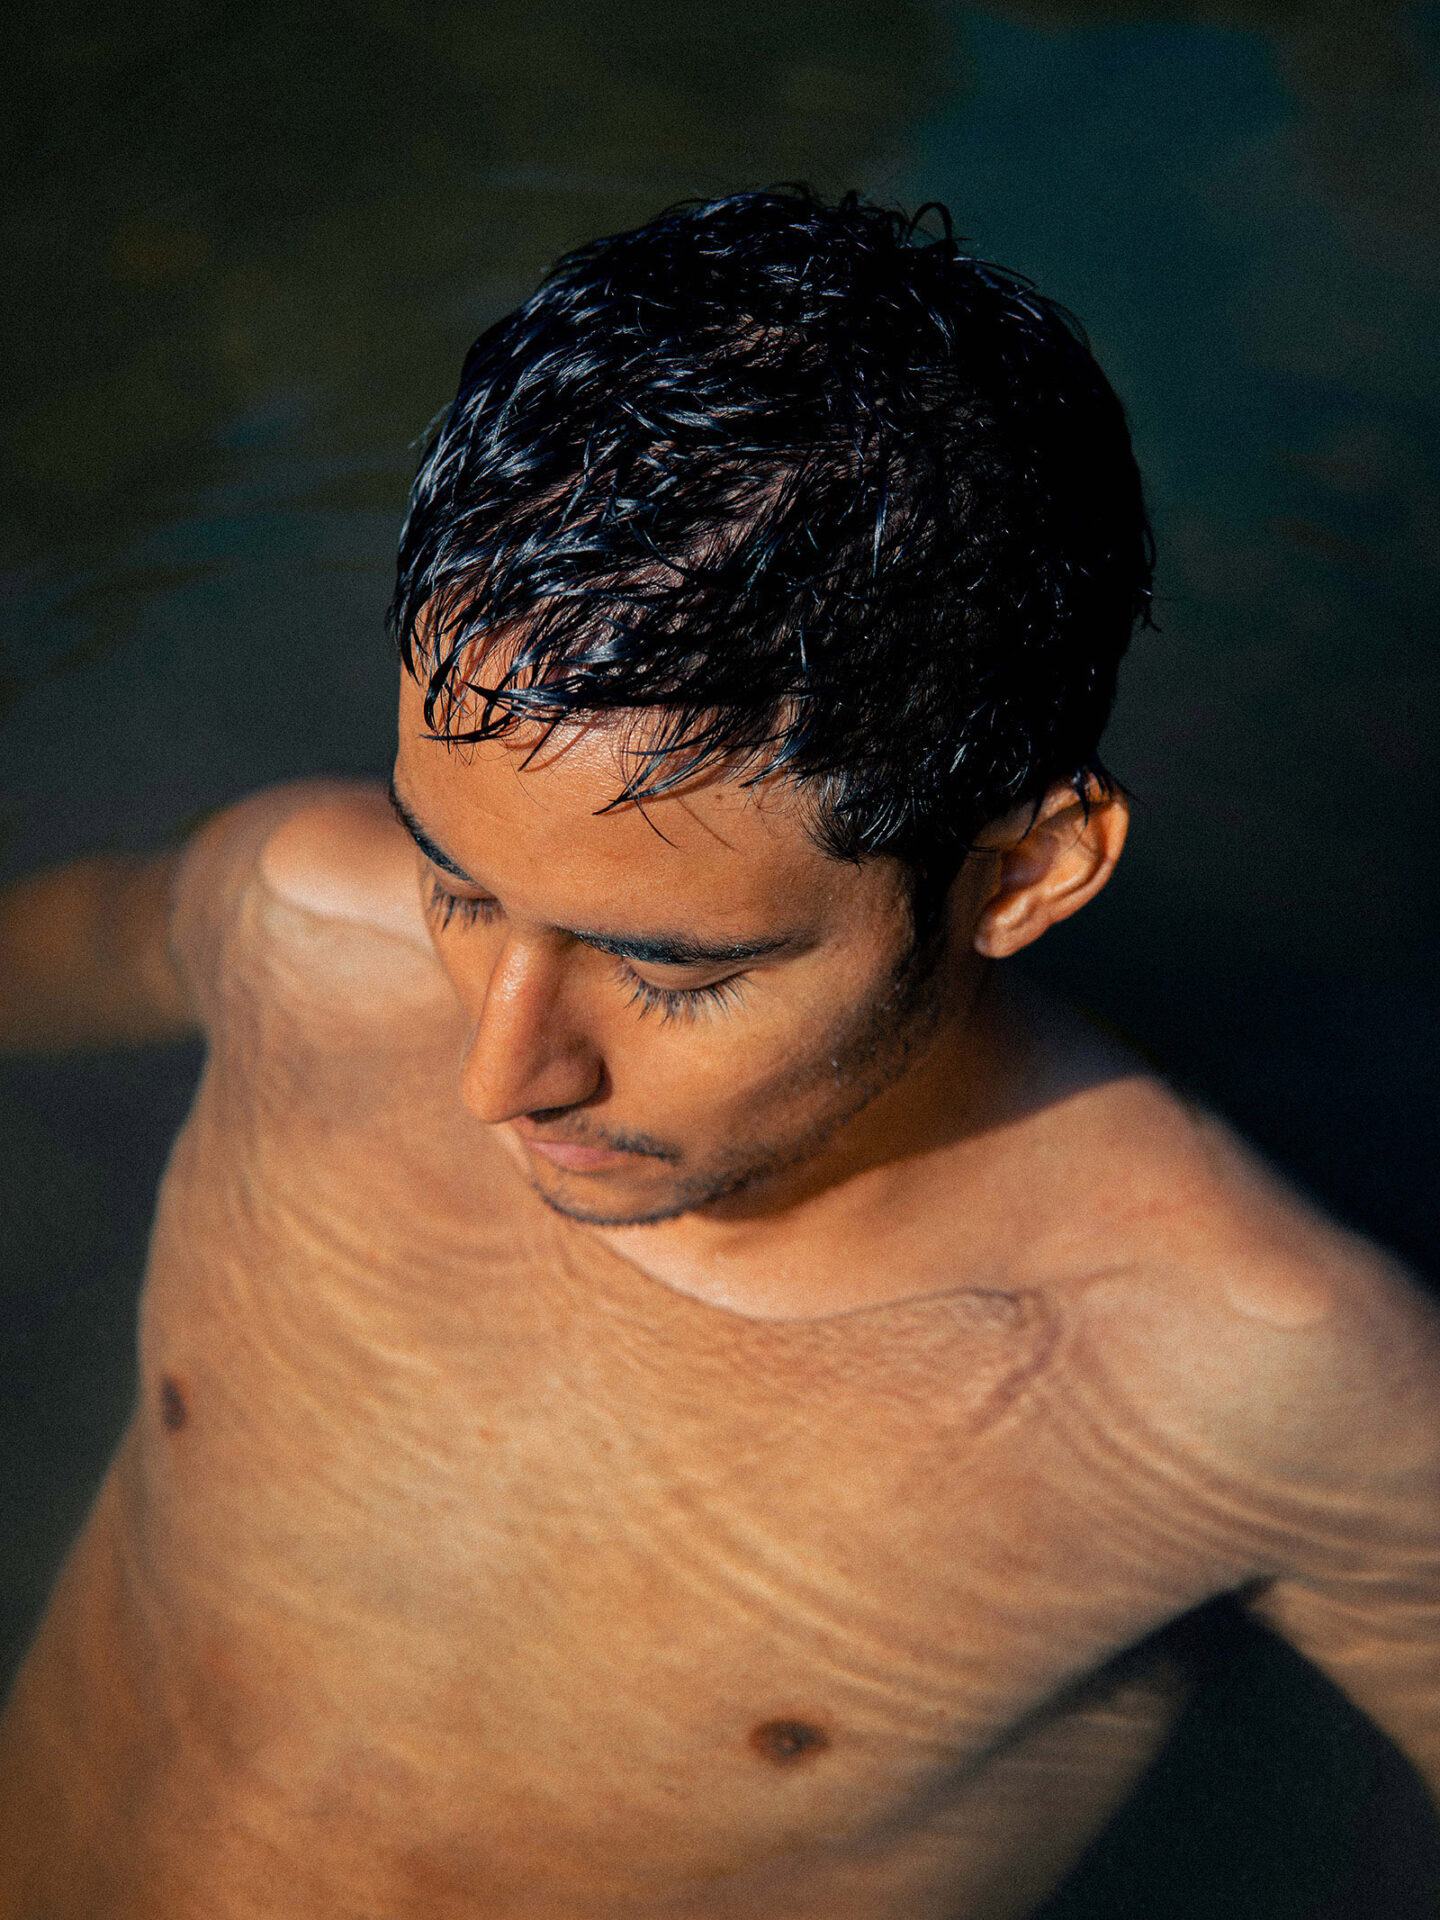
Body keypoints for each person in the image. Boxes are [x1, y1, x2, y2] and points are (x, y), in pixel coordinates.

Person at [1, 187, 1437, 1920]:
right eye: (461, 889)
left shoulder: (1241, 1385)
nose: (501, 1075)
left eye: (668, 969)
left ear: (1021, 873)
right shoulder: (299, 924)